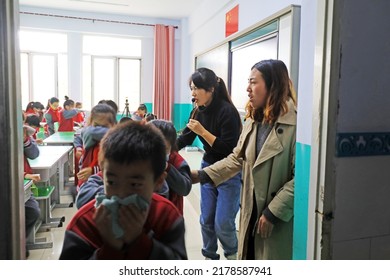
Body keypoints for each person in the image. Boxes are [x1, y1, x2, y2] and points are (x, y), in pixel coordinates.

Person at [193, 59, 297, 260]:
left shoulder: (295, 125)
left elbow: (300, 178)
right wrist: (201, 175)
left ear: (273, 85)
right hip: (251, 211)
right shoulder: (253, 120)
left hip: (274, 218)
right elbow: (236, 159)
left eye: (253, 82)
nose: (247, 89)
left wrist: (272, 212)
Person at [59, 121, 187, 259]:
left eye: (135, 184)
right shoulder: (86, 222)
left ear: (158, 182)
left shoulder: (165, 216)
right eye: (112, 182)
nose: (121, 194)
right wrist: (110, 248)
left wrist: (138, 242)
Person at [176, 67, 242, 260]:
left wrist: (203, 132)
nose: (193, 93)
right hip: (208, 166)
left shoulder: (227, 112)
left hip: (228, 170)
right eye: (191, 88)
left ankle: (232, 255)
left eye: (197, 88)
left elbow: (228, 149)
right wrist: (164, 149)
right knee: (206, 219)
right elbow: (185, 139)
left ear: (211, 89)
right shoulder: (197, 111)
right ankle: (209, 256)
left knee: (223, 223)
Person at [148, 119, 192, 215]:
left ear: (171, 147)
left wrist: (167, 167)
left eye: (164, 149)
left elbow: (185, 188)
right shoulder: (143, 157)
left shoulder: (177, 161)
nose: (157, 153)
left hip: (171, 215)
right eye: (153, 147)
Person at [76, 103, 116, 189]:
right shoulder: (88, 137)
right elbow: (78, 137)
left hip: (101, 187)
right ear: (90, 123)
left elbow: (116, 168)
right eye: (97, 126)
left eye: (104, 127)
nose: (98, 131)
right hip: (86, 184)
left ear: (113, 126)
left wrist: (93, 170)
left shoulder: (112, 145)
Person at [22, 121, 41, 258]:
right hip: (14, 180)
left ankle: (21, 242)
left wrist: (25, 140)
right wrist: (23, 175)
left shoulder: (24, 135)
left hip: (24, 183)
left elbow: (34, 154)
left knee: (33, 211)